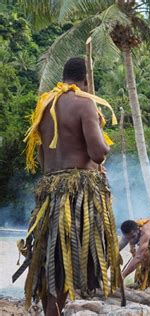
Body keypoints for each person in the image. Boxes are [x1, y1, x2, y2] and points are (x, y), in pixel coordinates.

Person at [12, 57, 121, 315]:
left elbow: (41, 155)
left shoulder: (45, 104)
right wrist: (105, 147)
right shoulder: (85, 104)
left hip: (50, 190)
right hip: (77, 194)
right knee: (69, 262)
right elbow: (97, 153)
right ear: (86, 79)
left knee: (55, 261)